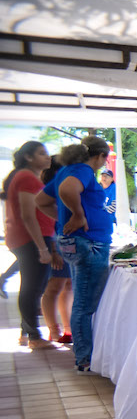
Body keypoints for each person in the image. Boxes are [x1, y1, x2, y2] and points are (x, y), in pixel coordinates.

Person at [35, 135, 113, 371]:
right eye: (104, 159)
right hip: (88, 243)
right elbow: (68, 190)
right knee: (84, 304)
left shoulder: (66, 170)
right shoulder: (83, 170)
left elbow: (41, 201)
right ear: (99, 156)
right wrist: (78, 216)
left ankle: (84, 354)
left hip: (75, 241)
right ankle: (85, 358)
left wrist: (65, 220)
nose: (103, 164)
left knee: (81, 298)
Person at [2, 141, 56, 348]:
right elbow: (27, 215)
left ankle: (27, 333)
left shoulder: (25, 177)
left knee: (34, 286)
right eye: (42, 154)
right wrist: (42, 247)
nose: (47, 157)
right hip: (29, 239)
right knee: (32, 288)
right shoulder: (26, 177)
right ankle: (33, 336)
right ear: (29, 157)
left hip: (28, 238)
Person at [40, 160, 73, 345]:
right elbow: (48, 226)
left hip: (66, 244)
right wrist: (53, 250)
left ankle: (67, 329)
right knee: (54, 287)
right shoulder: (49, 194)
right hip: (55, 245)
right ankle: (53, 330)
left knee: (67, 285)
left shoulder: (61, 192)